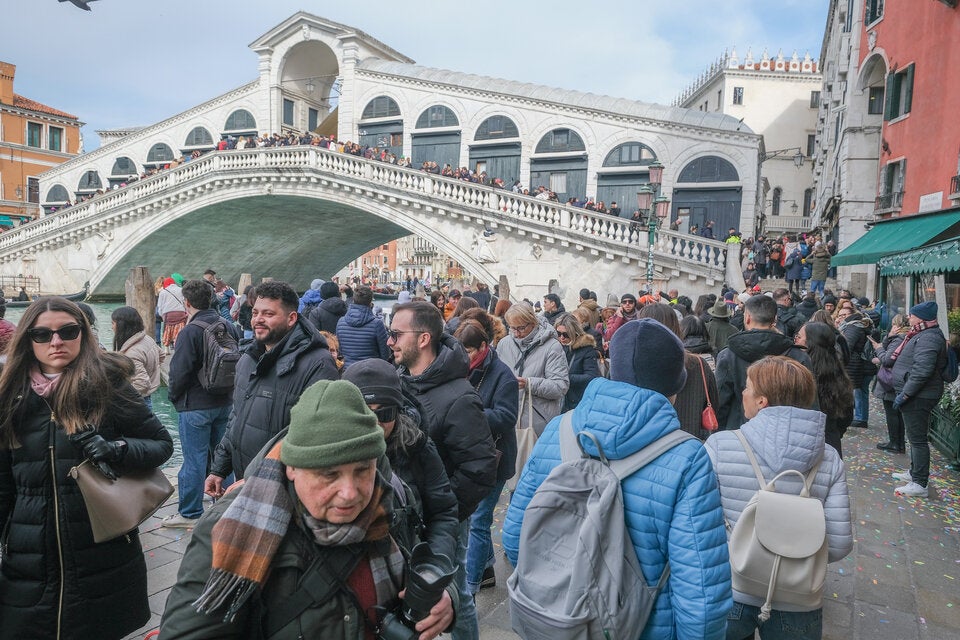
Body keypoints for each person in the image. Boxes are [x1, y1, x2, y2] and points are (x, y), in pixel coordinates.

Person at [158, 380, 457, 640]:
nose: (350, 493)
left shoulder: (387, 500)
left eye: (363, 470)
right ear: (292, 468)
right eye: (329, 474)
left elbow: (422, 557)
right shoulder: (233, 529)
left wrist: (444, 596)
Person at [503, 318, 732, 639]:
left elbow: (515, 536)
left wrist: (558, 597)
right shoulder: (688, 457)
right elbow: (702, 594)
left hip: (560, 622)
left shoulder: (559, 430)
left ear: (613, 370)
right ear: (676, 385)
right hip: (643, 627)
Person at [0, 297, 174, 639]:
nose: (56, 341)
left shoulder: (108, 384)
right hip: (28, 552)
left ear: (83, 333)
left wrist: (116, 448)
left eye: (67, 331)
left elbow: (160, 444)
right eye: (42, 334)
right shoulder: (10, 395)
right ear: (27, 339)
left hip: (101, 546)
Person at [704, 356, 852, 639]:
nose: (743, 393)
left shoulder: (720, 446)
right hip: (798, 600)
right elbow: (839, 543)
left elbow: (701, 524)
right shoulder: (829, 458)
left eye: (748, 387)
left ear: (762, 401)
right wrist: (794, 560)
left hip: (731, 588)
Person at [389, 301, 497, 640]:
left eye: (396, 334)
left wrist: (442, 511)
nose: (389, 341)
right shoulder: (400, 380)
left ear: (423, 339)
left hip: (443, 517)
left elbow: (479, 468)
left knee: (453, 595)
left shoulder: (458, 396)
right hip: (407, 512)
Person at [205, 279, 339, 503]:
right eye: (255, 312)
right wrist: (219, 468)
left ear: (291, 318)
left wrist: (257, 479)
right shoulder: (248, 360)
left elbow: (314, 438)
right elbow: (237, 417)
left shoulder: (318, 364)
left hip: (284, 491)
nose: (258, 319)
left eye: (268, 314)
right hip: (245, 481)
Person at [342, 358, 460, 566]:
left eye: (385, 412)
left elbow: (443, 514)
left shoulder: (417, 447)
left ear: (398, 411)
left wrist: (434, 566)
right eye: (364, 412)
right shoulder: (331, 454)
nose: (375, 421)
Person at [164, 279, 241, 528]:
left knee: (194, 460)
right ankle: (225, 506)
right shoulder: (229, 326)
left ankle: (190, 512)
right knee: (222, 458)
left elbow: (179, 372)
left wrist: (175, 397)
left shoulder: (190, 331)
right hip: (225, 401)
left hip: (195, 405)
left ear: (186, 302)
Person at [452, 318, 519, 593]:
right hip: (468, 455)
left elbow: (506, 417)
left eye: (468, 351)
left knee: (478, 521)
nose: (463, 356)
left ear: (483, 346)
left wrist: (471, 412)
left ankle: (470, 587)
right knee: (472, 518)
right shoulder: (459, 367)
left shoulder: (503, 375)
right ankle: (487, 568)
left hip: (494, 458)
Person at [715, 294, 813, 431]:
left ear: (747, 317)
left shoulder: (728, 355)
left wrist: (719, 435)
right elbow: (809, 404)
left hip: (739, 431)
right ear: (775, 319)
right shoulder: (799, 356)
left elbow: (720, 402)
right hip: (788, 431)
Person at [888, 301, 948, 497]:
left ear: (921, 318)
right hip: (916, 394)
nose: (909, 318)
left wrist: (906, 394)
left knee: (917, 439)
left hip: (919, 396)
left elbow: (922, 371)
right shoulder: (922, 334)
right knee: (914, 437)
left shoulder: (929, 337)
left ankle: (920, 483)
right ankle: (914, 472)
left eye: (912, 315)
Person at [496, 303, 570, 436]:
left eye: (521, 328)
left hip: (538, 425)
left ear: (533, 323)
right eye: (512, 328)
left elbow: (560, 386)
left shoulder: (552, 347)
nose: (516, 334)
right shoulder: (504, 344)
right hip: (507, 419)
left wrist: (529, 384)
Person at [795, 322, 855, 457]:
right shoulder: (839, 374)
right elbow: (846, 416)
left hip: (802, 445)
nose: (796, 340)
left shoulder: (799, 373)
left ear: (810, 343)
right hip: (830, 443)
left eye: (798, 337)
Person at [870, 313, 911, 454]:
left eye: (894, 324)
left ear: (898, 326)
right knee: (896, 412)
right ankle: (899, 443)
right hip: (899, 378)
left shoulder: (898, 339)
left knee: (892, 412)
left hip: (891, 379)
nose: (892, 327)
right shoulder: (906, 337)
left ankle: (895, 442)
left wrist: (878, 348)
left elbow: (887, 359)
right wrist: (888, 337)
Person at [111, 305, 162, 409]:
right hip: (146, 397)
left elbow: (142, 383)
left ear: (121, 325)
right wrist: (150, 372)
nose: (111, 327)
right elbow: (161, 355)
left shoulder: (132, 353)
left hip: (135, 403)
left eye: (113, 323)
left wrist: (121, 396)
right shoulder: (146, 339)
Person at [553, 312, 600, 412]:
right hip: (557, 400)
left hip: (577, 401)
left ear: (575, 332)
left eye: (566, 334)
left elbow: (591, 376)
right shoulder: (555, 347)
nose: (561, 337)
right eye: (558, 334)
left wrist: (565, 377)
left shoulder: (586, 349)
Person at [336, 285, 391, 368]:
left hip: (348, 370)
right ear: (370, 301)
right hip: (372, 370)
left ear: (353, 299)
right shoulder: (377, 324)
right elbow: (385, 354)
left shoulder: (341, 322)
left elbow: (339, 350)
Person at [837, 308, 874, 429]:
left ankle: (859, 418)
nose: (841, 317)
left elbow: (847, 347)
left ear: (850, 315)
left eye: (844, 315)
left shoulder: (852, 327)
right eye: (840, 315)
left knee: (857, 391)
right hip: (861, 364)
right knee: (861, 391)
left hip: (854, 365)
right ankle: (861, 417)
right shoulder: (858, 325)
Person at [157, 275, 187, 350]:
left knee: (167, 330)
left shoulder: (163, 292)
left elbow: (160, 306)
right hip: (180, 314)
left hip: (168, 315)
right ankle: (179, 345)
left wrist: (162, 316)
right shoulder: (181, 290)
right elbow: (184, 302)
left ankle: (166, 349)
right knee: (180, 330)